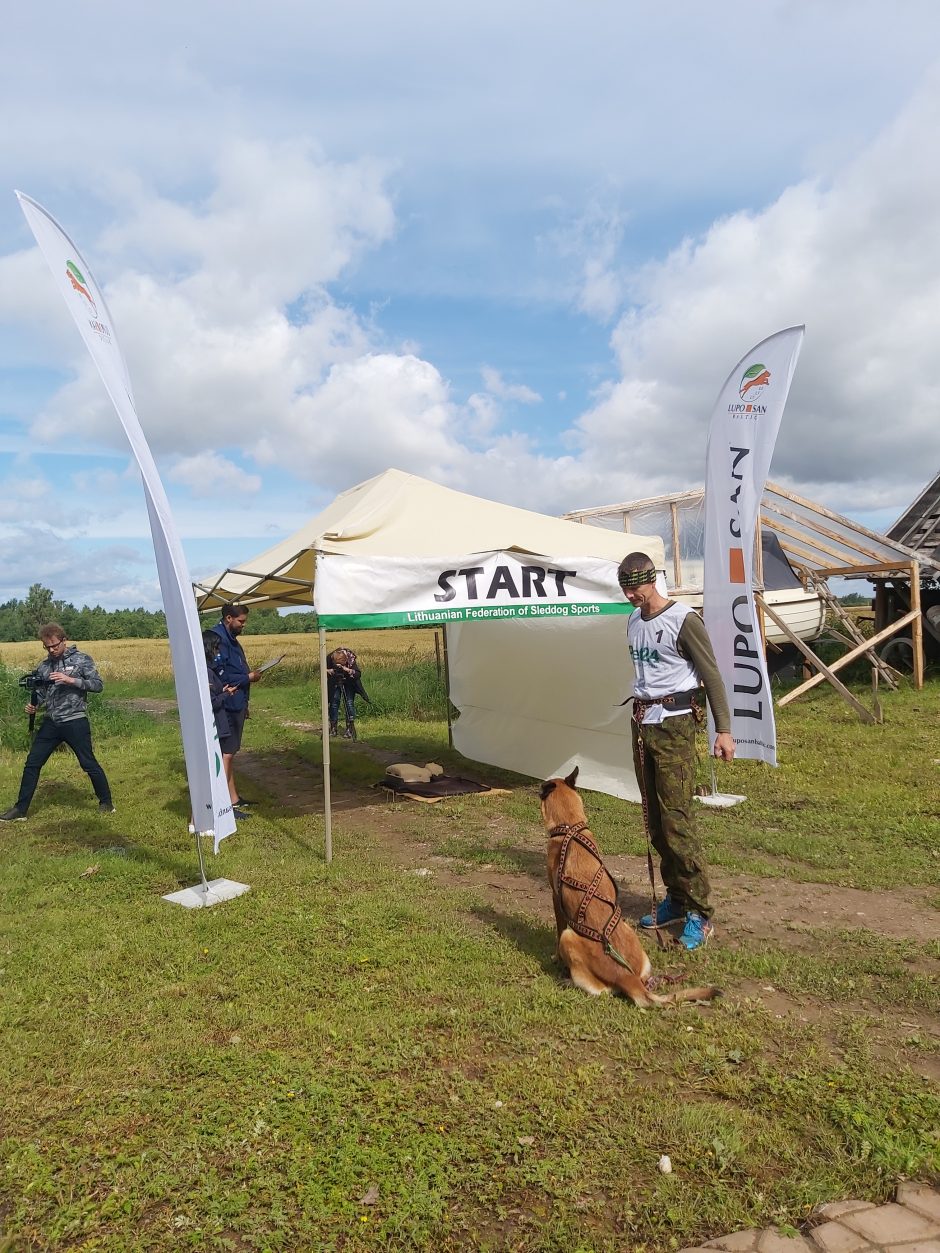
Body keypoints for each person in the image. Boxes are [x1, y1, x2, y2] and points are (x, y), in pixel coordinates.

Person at [618, 552, 735, 951]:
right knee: (654, 819)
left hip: (675, 724)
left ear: (653, 581)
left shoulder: (683, 619)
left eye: (636, 585)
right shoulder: (633, 621)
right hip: (641, 725)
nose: (631, 594)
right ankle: (676, 899)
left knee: (677, 820)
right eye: (625, 587)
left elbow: (712, 674)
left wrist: (724, 730)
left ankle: (699, 912)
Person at [0, 623, 114, 821]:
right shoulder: (44, 666)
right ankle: (20, 809)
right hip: (51, 722)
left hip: (75, 720)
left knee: (88, 763)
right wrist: (33, 705)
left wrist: (71, 681)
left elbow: (98, 685)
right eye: (47, 647)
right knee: (32, 764)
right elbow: (41, 692)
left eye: (54, 645)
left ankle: (106, 803)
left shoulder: (81, 660)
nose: (52, 650)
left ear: (64, 640)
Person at [210, 603, 262, 818]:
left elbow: (236, 668)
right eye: (241, 621)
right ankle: (224, 806)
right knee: (226, 754)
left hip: (237, 702)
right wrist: (248, 678)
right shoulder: (216, 640)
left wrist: (245, 702)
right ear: (228, 618)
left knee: (230, 753)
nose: (244, 625)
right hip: (226, 704)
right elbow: (219, 676)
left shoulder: (232, 640)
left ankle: (233, 798)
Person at [326, 647, 369, 739]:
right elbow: (322, 669)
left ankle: (350, 728)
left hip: (349, 682)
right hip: (335, 681)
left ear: (345, 661)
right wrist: (328, 671)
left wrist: (347, 670)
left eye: (341, 665)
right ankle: (333, 727)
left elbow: (358, 674)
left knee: (349, 703)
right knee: (334, 703)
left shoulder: (350, 659)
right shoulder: (329, 657)